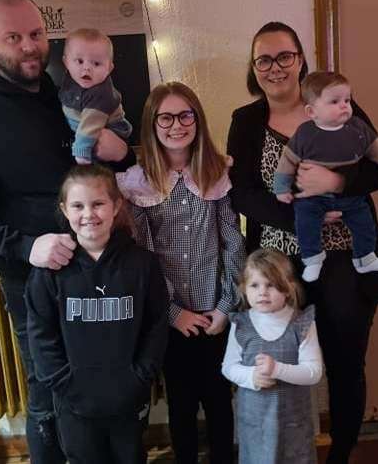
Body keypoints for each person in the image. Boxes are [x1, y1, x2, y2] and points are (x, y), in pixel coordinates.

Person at [0, 0, 135, 464]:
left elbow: (107, 167)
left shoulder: (66, 92)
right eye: (13, 37)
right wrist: (24, 246)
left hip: (101, 273)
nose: (28, 47)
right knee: (49, 400)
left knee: (103, 390)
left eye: (36, 34)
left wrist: (128, 153)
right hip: (35, 287)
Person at [226, 21, 378, 464]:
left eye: (285, 56)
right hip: (278, 267)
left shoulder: (338, 105)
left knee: (343, 363)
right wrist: (302, 218)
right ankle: (285, 454)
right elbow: (241, 191)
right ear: (254, 67)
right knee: (277, 364)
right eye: (264, 59)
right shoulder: (245, 122)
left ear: (301, 59)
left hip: (344, 257)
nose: (275, 67)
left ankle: (341, 453)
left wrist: (339, 179)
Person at [116, 82, 245, 464]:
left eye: (185, 115)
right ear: (153, 124)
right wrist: (173, 313)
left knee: (220, 401)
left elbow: (231, 243)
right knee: (182, 405)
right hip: (170, 318)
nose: (177, 125)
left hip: (214, 311)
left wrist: (225, 306)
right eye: (166, 117)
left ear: (197, 119)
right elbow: (143, 256)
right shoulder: (139, 183)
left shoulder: (216, 172)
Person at [26, 164, 168, 464]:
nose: (88, 214)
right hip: (73, 403)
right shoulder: (51, 271)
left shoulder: (142, 264)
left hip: (127, 399)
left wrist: (140, 376)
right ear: (65, 210)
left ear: (116, 206)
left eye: (98, 204)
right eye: (78, 205)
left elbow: (156, 325)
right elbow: (41, 334)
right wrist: (64, 384)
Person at [273, 71, 378, 281]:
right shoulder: (305, 133)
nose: (344, 105)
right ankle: (313, 258)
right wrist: (281, 188)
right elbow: (287, 161)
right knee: (305, 221)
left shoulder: (357, 127)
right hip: (312, 199)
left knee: (364, 222)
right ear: (311, 111)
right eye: (334, 101)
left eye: (347, 100)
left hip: (350, 198)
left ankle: (365, 258)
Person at [222, 248, 323, 464]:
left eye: (271, 285)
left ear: (288, 289)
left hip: (293, 423)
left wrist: (277, 369)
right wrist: (252, 377)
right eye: (255, 285)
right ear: (244, 289)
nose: (263, 292)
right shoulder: (241, 324)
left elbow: (314, 372)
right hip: (255, 424)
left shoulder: (302, 323)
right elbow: (228, 366)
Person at [59, 28, 133, 164]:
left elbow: (90, 125)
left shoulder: (102, 94)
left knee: (95, 158)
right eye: (79, 61)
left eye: (97, 63)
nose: (87, 68)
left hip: (108, 131)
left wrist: (81, 153)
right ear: (66, 63)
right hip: (81, 128)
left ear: (109, 68)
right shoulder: (70, 81)